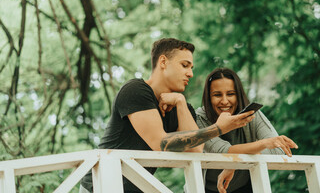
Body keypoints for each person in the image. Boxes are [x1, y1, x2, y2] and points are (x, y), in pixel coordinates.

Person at [80, 39, 255, 192]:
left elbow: (195, 150)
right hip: (101, 185)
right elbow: (160, 143)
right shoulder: (135, 90)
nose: (190, 73)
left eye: (191, 67)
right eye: (184, 65)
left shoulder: (183, 107)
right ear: (163, 61)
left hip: (139, 188)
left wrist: (180, 101)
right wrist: (218, 129)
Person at [196, 68, 298, 193]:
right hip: (206, 190)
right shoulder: (199, 118)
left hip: (244, 188)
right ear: (208, 98)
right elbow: (223, 152)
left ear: (238, 95)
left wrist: (236, 163)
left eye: (230, 94)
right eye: (217, 95)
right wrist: (264, 144)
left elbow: (278, 149)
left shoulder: (252, 114)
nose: (224, 101)